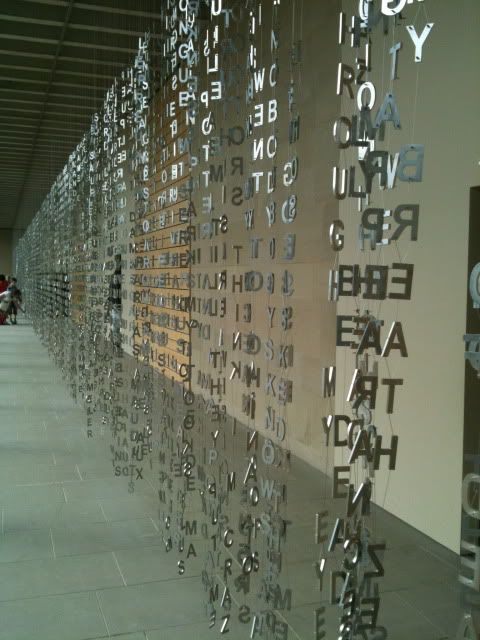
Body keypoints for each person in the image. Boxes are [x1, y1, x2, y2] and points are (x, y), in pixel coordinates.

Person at [108, 254, 122, 350]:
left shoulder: (120, 275)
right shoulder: (114, 275)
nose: (117, 263)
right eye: (116, 261)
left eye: (118, 261)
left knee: (116, 325)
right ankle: (115, 343)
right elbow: (111, 290)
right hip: (114, 304)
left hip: (117, 304)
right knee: (115, 325)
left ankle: (116, 344)